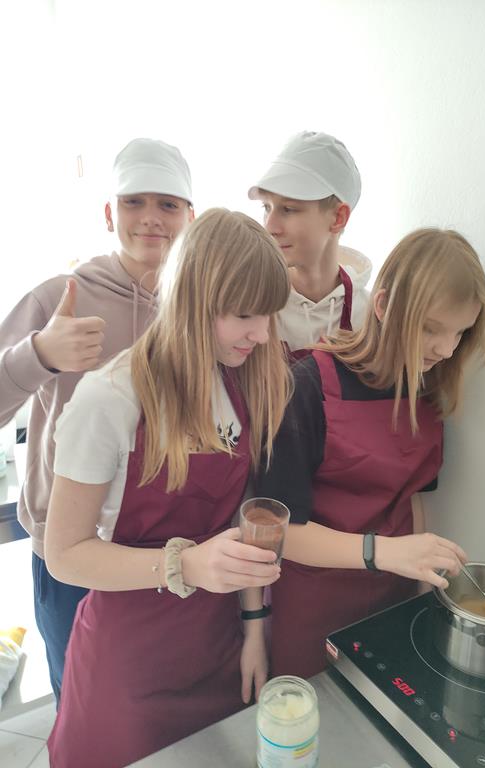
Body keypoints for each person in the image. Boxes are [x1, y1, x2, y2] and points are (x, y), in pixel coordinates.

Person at [44, 208, 293, 768]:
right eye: (245, 315)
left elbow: (238, 527)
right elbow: (64, 555)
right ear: (192, 300)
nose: (261, 334)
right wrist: (186, 565)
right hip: (131, 666)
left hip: (216, 645)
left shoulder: (237, 380)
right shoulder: (109, 399)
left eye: (268, 315)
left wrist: (254, 628)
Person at [0, 137, 195, 703]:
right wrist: (39, 354)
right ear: (110, 213)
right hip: (71, 548)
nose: (150, 218)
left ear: (191, 217)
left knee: (155, 707)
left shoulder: (199, 307)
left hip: (166, 547)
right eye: (134, 202)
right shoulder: (59, 297)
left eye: (167, 204)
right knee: (82, 703)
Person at [256, 228, 485, 679]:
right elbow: (279, 532)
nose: (446, 350)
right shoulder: (307, 386)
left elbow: (412, 499)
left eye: (460, 333)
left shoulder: (427, 390)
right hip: (313, 602)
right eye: (431, 328)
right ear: (383, 305)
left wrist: (422, 589)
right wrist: (381, 552)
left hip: (393, 595)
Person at [248, 130, 372, 360]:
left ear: (338, 218)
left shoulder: (372, 317)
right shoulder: (252, 307)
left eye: (288, 209)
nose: (270, 227)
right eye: (266, 207)